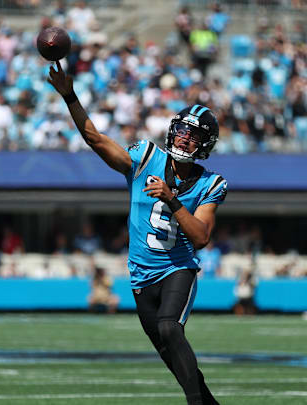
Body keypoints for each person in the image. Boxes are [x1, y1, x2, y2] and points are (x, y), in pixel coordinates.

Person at [48, 62, 226, 405]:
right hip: (141, 275)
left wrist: (172, 200)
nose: (185, 138)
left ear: (205, 145)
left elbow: (201, 237)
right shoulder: (146, 157)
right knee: (171, 356)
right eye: (182, 131)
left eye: (194, 135)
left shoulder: (210, 183)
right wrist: (70, 96)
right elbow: (95, 139)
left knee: (170, 328)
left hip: (178, 269)